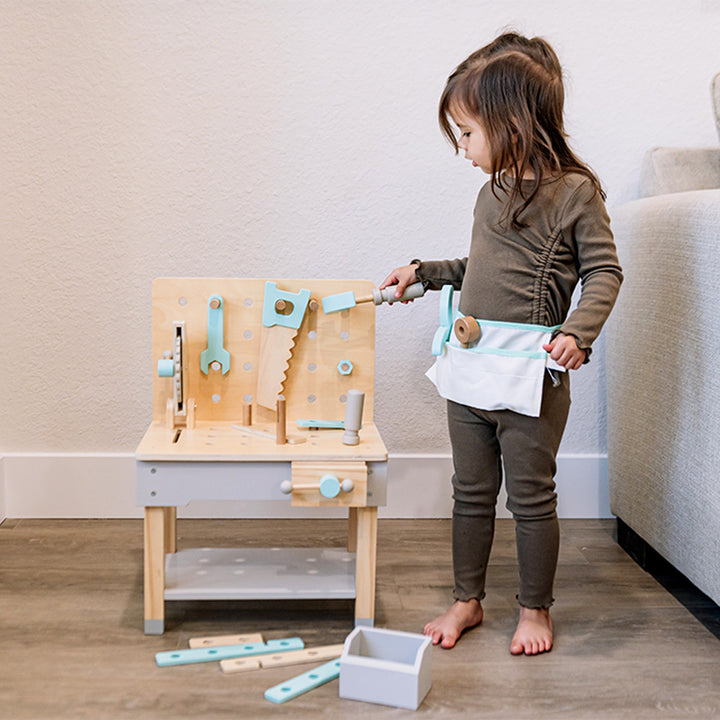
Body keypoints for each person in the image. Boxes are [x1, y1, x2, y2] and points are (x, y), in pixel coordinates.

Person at [380, 33, 623, 656]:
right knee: (471, 490)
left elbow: (604, 272)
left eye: (465, 132)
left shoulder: (574, 195)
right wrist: (424, 271)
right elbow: (480, 268)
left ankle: (535, 609)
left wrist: (578, 332)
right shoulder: (489, 194)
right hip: (470, 369)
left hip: (529, 375)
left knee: (531, 496)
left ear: (510, 121)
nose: (461, 148)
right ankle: (468, 598)